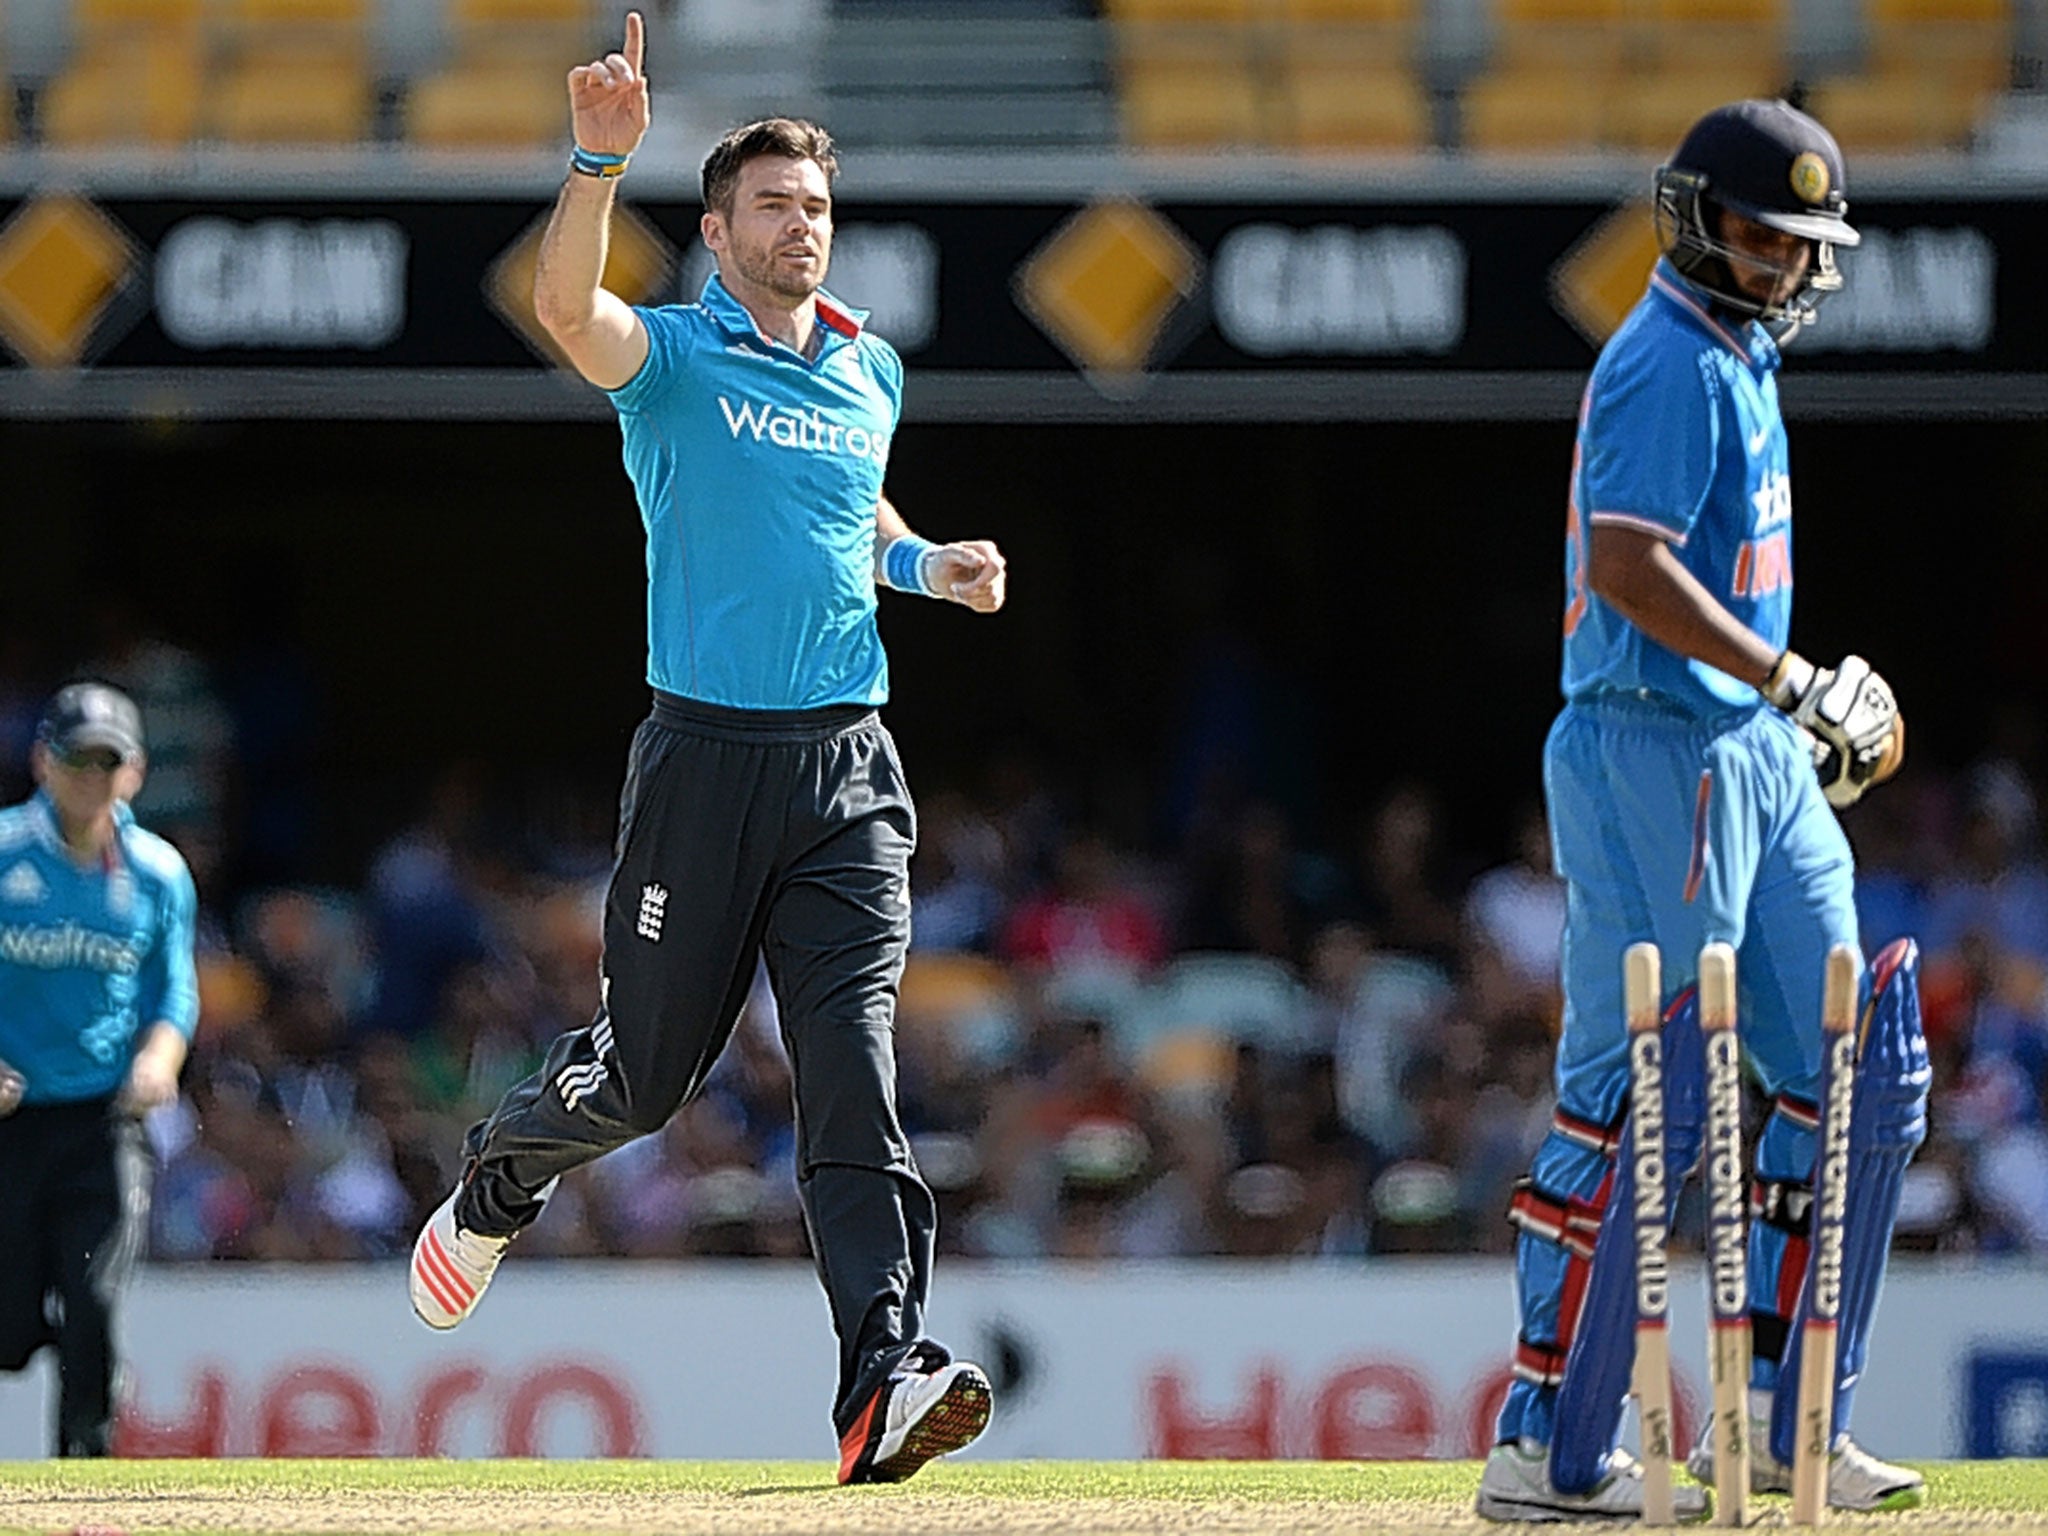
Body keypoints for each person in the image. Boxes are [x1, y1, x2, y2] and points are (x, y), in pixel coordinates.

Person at [408, 11, 1007, 1485]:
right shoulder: (671, 357)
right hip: (703, 766)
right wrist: (596, 158)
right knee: (652, 1080)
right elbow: (565, 308)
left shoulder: (869, 372)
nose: (803, 229)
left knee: (854, 1071)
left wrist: (931, 568)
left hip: (850, 773)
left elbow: (849, 522)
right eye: (774, 208)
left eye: (817, 208)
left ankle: (880, 1378)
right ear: (720, 232)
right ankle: (499, 1180)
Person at [1477, 100, 1929, 1520]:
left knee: (1852, 1074)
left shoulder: (1741, 356)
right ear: (1692, 219)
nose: (1778, 263)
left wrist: (1786, 703)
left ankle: (1800, 1425)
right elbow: (1626, 565)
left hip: (1754, 751)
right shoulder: (1667, 357)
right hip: (1648, 745)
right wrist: (1797, 675)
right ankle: (1547, 1442)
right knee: (1643, 1089)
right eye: (1754, 233)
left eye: (1800, 244)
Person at [0, 682, 197, 1455]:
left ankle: (84, 1485)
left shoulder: (157, 873)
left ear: (135, 773)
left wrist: (158, 1059)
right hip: (12, 1122)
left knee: (95, 1300)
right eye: (76, 758)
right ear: (43, 762)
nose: (90, 776)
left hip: (104, 1120)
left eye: (105, 762)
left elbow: (173, 989)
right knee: (10, 1327)